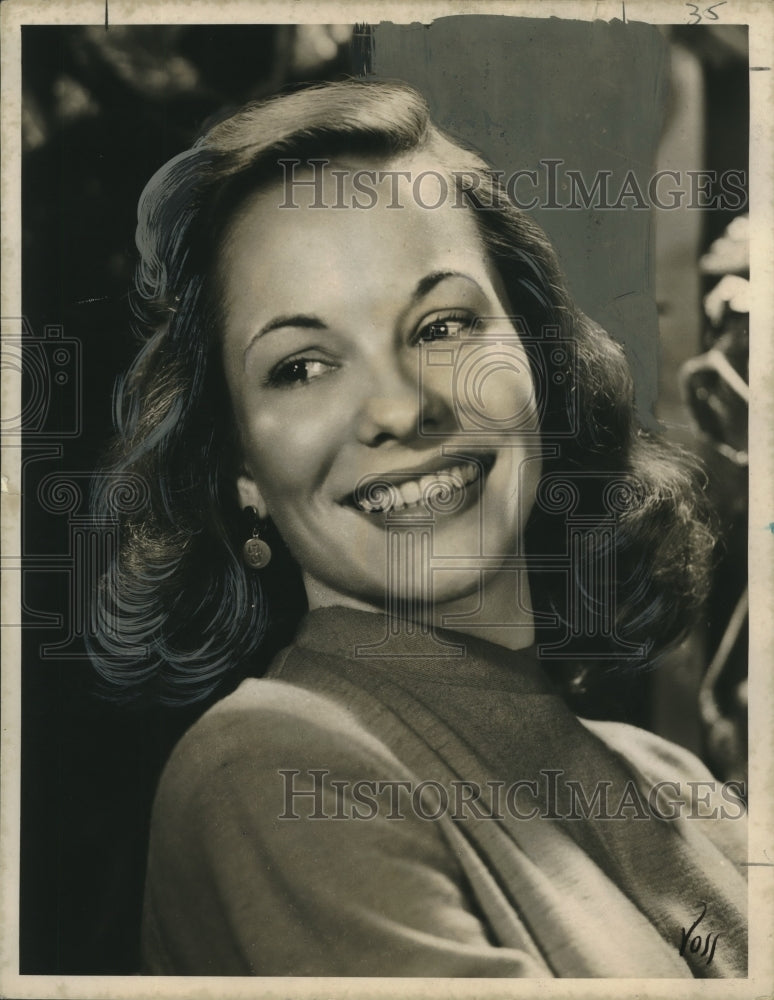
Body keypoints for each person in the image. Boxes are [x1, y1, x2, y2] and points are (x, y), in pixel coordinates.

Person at [89, 80, 747, 977]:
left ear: (537, 364)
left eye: (442, 324)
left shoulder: (677, 781)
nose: (400, 406)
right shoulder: (271, 768)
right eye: (303, 365)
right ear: (239, 467)